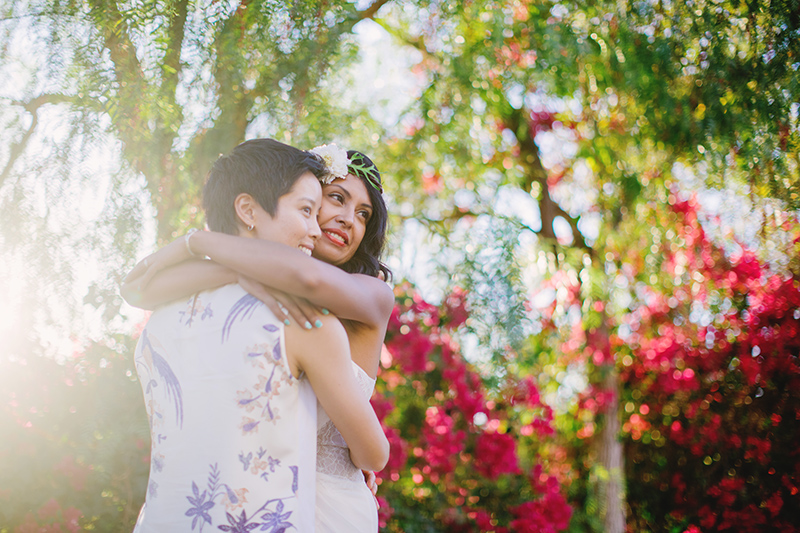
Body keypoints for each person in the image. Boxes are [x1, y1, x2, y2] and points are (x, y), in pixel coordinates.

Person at [122, 143, 394, 532]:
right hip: (247, 492)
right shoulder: (258, 299)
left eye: (364, 214)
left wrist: (200, 243)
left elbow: (307, 278)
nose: (349, 219)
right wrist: (240, 271)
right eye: (336, 199)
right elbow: (142, 290)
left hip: (331, 504)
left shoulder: (373, 294)